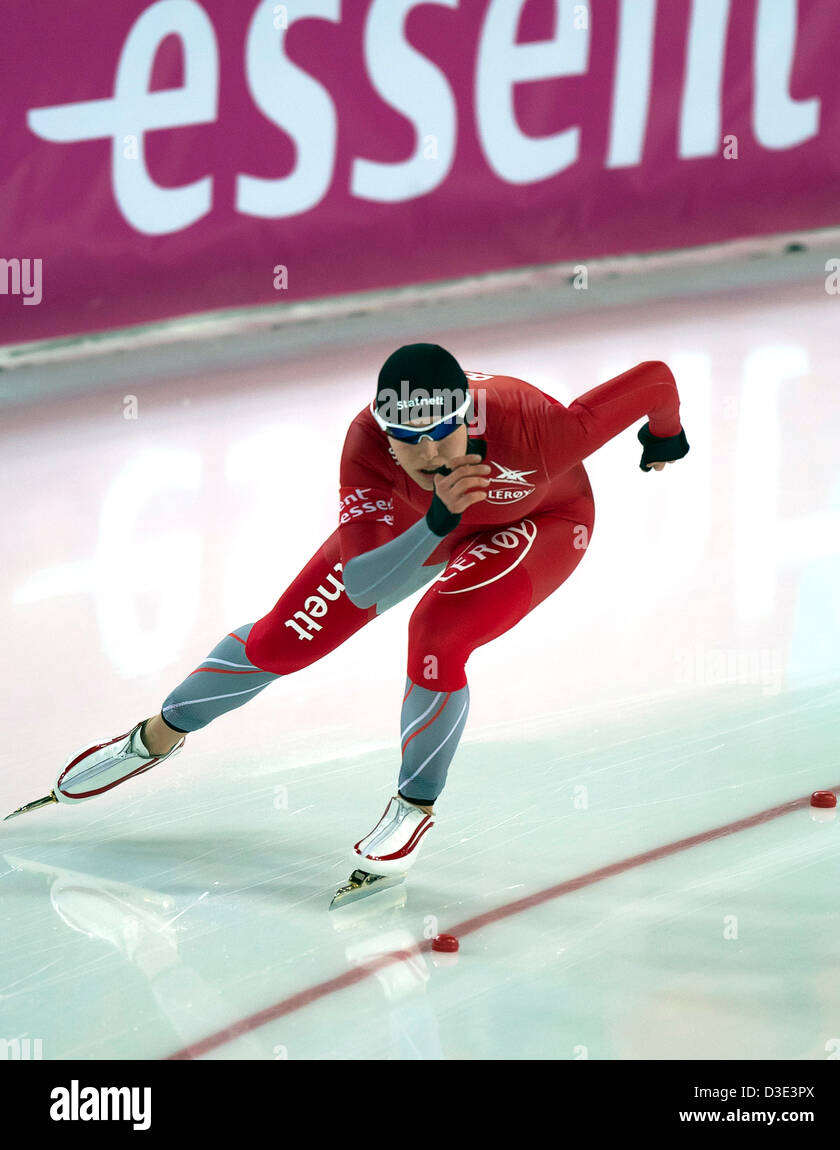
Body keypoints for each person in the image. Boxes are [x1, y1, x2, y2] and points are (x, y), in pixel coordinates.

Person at [9, 344, 689, 906]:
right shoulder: (366, 444)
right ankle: (153, 738)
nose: (427, 455)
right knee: (281, 640)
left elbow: (655, 380)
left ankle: (412, 810)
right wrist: (436, 521)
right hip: (418, 530)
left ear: (470, 419)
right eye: (407, 441)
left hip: (540, 522)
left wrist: (666, 440)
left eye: (441, 435)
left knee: (437, 636)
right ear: (384, 429)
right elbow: (363, 581)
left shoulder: (536, 425)